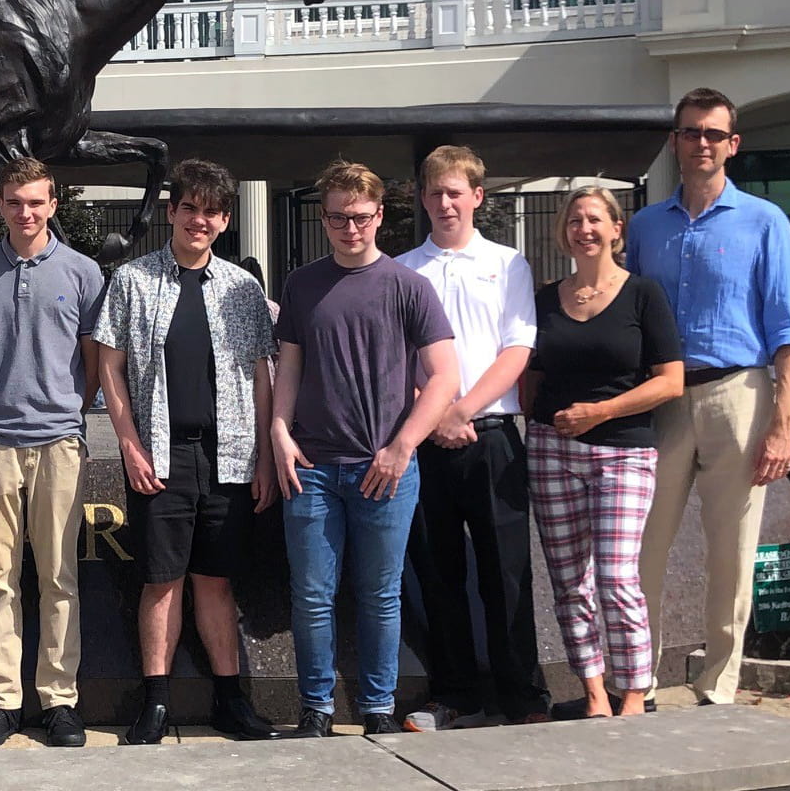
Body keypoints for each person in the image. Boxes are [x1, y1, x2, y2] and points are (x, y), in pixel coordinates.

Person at [628, 88, 790, 708]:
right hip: (663, 400)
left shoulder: (764, 222)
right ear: (674, 142)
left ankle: (718, 683)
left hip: (739, 395)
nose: (700, 143)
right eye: (689, 132)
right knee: (642, 543)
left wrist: (782, 425)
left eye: (712, 133)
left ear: (733, 144)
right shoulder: (645, 226)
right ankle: (637, 676)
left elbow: (789, 331)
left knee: (733, 549)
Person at [92, 159, 281, 745]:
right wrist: (129, 444)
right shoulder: (133, 280)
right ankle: (155, 702)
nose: (199, 220)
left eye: (211, 211)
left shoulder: (243, 288)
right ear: (171, 212)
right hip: (160, 457)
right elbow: (110, 368)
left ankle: (231, 700)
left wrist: (266, 461)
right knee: (161, 581)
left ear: (225, 220)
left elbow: (261, 376)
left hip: (227, 457)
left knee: (216, 581)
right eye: (189, 208)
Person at [269, 160, 459, 738]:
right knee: (311, 596)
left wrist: (402, 446)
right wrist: (278, 431)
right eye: (335, 218)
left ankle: (377, 706)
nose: (348, 228)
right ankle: (316, 710)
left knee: (380, 594)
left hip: (387, 467)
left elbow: (446, 375)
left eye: (358, 217)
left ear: (379, 215)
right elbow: (290, 368)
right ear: (323, 219)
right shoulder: (302, 283)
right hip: (315, 466)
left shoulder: (409, 286)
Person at [396, 146, 550, 730]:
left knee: (506, 573)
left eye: (455, 192)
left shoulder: (510, 264)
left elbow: (518, 350)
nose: (444, 203)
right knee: (439, 576)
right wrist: (433, 415)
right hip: (425, 439)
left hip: (492, 438)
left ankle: (523, 694)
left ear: (477, 197)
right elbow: (397, 361)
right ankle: (455, 693)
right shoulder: (405, 270)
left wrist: (462, 409)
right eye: (434, 193)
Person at [0, 157, 106, 749]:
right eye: (15, 201)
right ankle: (3, 700)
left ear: (53, 205)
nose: (26, 212)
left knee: (59, 576)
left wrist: (68, 411)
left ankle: (60, 700)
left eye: (36, 201)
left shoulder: (83, 271)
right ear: (0, 205)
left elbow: (93, 361)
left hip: (58, 442)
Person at [526, 187, 684, 721]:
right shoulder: (546, 298)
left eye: (596, 219)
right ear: (564, 231)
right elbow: (533, 375)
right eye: (574, 219)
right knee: (568, 580)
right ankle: (594, 692)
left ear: (617, 229)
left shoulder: (644, 295)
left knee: (616, 577)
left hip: (623, 451)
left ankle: (634, 691)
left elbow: (670, 382)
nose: (584, 228)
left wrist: (601, 412)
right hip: (552, 450)